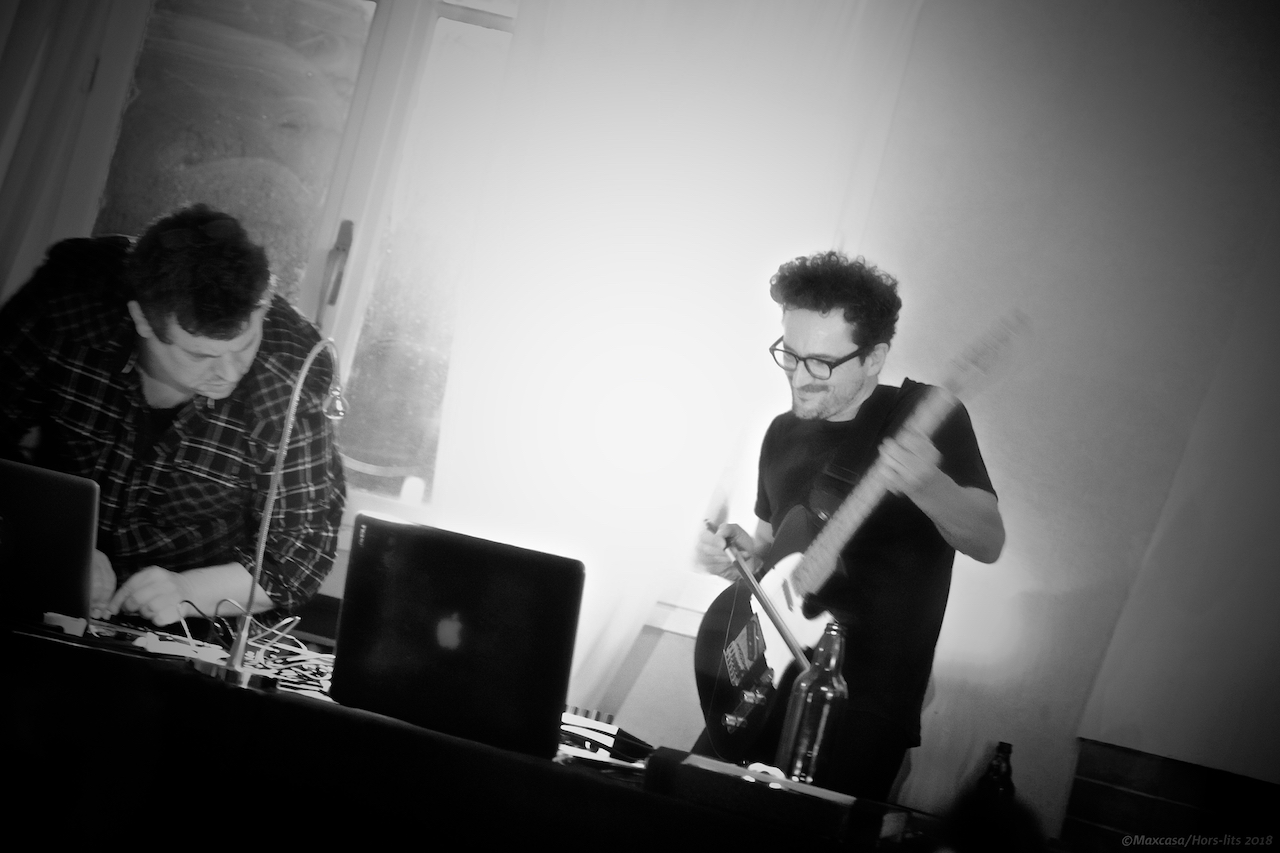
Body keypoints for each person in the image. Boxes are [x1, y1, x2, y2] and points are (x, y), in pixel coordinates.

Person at [694, 249, 1005, 801]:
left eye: (821, 362)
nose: (799, 377)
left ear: (874, 357)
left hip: (864, 709)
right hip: (762, 689)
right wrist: (736, 558)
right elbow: (772, 560)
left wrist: (926, 484)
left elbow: (987, 540)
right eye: (790, 355)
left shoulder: (925, 415)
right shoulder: (780, 433)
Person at [0, 204, 345, 628]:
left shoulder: (291, 373)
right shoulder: (69, 302)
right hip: (31, 584)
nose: (229, 372)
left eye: (244, 345)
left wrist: (186, 591)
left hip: (192, 628)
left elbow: (302, 552)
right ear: (142, 320)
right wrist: (54, 540)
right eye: (201, 355)